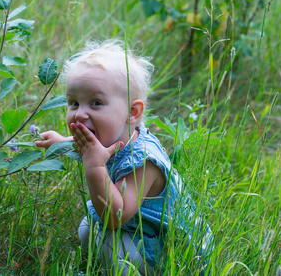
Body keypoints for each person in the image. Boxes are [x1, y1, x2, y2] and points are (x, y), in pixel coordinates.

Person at [34, 40, 213, 275]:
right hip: (141, 229)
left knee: (108, 241)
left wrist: (95, 166)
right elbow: (94, 148)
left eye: (96, 103)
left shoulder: (144, 162)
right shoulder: (115, 135)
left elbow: (114, 217)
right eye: (74, 102)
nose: (79, 113)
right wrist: (62, 142)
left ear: (132, 112)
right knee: (88, 229)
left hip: (171, 249)